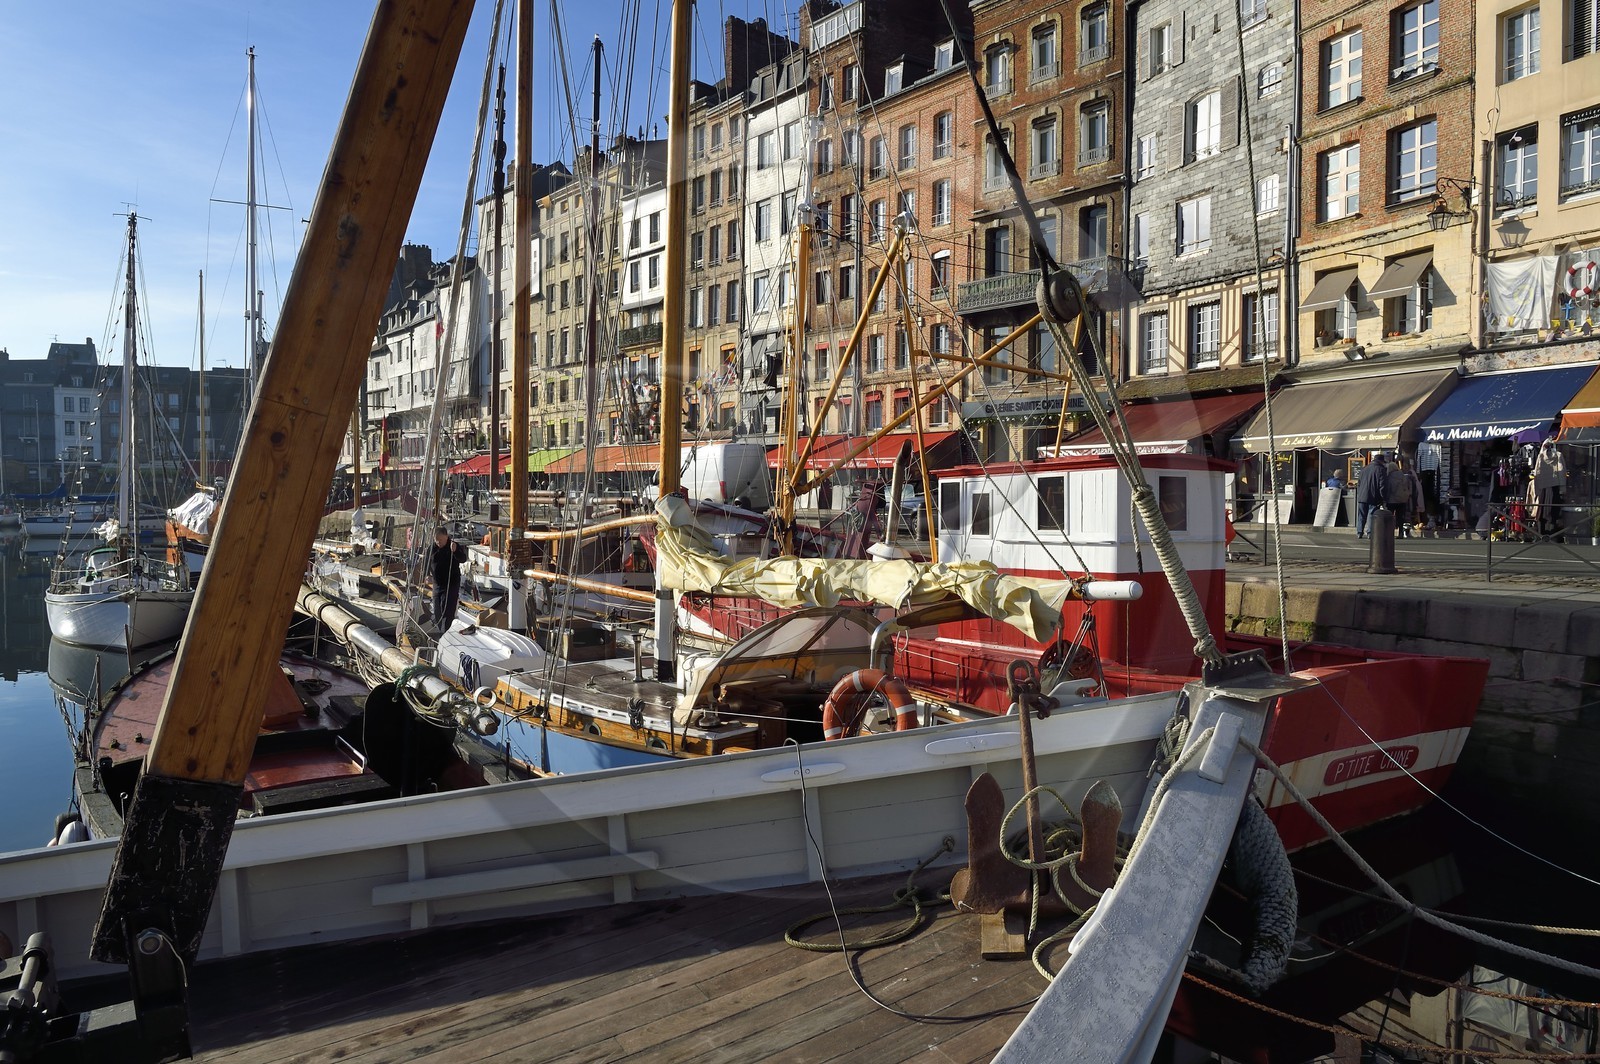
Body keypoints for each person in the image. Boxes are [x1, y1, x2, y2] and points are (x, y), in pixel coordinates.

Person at [429, 526, 468, 632]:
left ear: (446, 536)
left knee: (448, 612)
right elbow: (427, 563)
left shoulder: (453, 545)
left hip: (451, 584)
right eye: (436, 540)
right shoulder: (432, 548)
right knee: (437, 610)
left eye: (440, 540)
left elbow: (463, 559)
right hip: (437, 584)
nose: (438, 542)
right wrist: (426, 575)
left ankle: (445, 633)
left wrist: (455, 551)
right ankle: (440, 630)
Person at [1354, 453, 1389, 538]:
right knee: (1371, 514)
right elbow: (1382, 486)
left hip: (1362, 496)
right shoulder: (1381, 469)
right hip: (1374, 496)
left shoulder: (1364, 468)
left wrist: (1360, 493)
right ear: (1381, 461)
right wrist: (1383, 498)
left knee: (1361, 515)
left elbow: (1359, 483)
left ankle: (1359, 532)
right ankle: (1369, 532)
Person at [1386, 455, 1416, 537]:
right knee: (1400, 517)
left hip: (1391, 500)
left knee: (1390, 517)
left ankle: (1390, 533)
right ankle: (1401, 533)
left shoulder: (1388, 476)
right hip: (1402, 499)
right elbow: (1406, 486)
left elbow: (1388, 488)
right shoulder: (1402, 474)